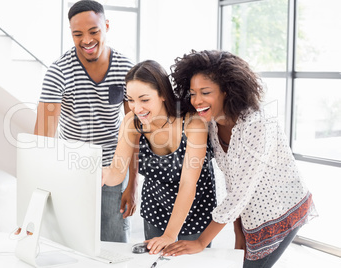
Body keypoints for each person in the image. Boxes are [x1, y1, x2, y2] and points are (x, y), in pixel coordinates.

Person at [163, 50, 317, 267]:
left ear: (226, 91)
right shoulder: (213, 123)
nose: (197, 100)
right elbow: (233, 181)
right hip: (249, 215)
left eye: (205, 92)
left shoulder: (258, 125)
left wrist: (201, 242)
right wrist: (239, 231)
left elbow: (240, 193)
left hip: (280, 211)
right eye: (193, 93)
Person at [34, 0, 138, 243]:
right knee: (75, 241)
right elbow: (43, 138)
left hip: (114, 168)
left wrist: (132, 184)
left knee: (114, 241)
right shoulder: (59, 72)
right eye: (77, 34)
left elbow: (134, 131)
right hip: (73, 169)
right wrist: (43, 188)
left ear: (107, 26)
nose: (87, 40)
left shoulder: (126, 69)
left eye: (94, 31)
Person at [102, 60, 217, 254]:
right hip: (156, 206)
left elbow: (188, 184)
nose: (136, 108)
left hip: (195, 210)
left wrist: (170, 235)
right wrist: (99, 175)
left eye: (144, 100)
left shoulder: (192, 123)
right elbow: (117, 172)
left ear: (163, 94)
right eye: (130, 100)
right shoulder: (132, 122)